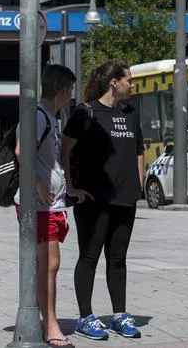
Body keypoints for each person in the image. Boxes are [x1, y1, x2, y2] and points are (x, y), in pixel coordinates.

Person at [62, 60, 144, 341]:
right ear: (114, 82)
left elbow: (138, 149)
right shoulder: (86, 112)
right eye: (129, 80)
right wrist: (71, 187)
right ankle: (85, 318)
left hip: (126, 198)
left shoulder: (131, 113)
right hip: (93, 198)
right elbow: (65, 149)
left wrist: (139, 184)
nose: (131, 84)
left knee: (118, 258)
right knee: (89, 257)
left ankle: (119, 315)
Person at [14, 65, 77, 348]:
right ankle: (50, 326)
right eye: (70, 90)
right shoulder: (39, 116)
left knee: (47, 265)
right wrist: (38, 186)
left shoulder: (51, 117)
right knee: (49, 265)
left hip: (49, 204)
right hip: (39, 205)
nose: (71, 96)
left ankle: (46, 321)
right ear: (62, 90)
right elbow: (21, 150)